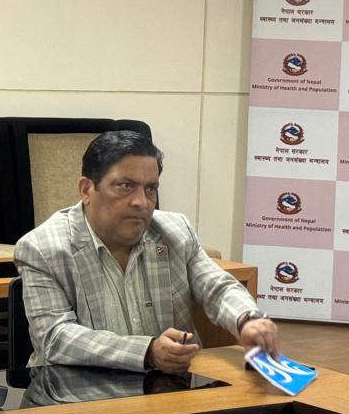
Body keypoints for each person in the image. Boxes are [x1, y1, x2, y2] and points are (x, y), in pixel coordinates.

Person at [15, 130, 279, 379]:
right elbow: (55, 338)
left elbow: (217, 288)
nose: (141, 202)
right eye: (125, 186)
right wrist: (147, 352)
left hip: (168, 387)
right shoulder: (42, 248)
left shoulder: (175, 231)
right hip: (77, 392)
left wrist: (247, 319)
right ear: (86, 189)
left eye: (150, 188)